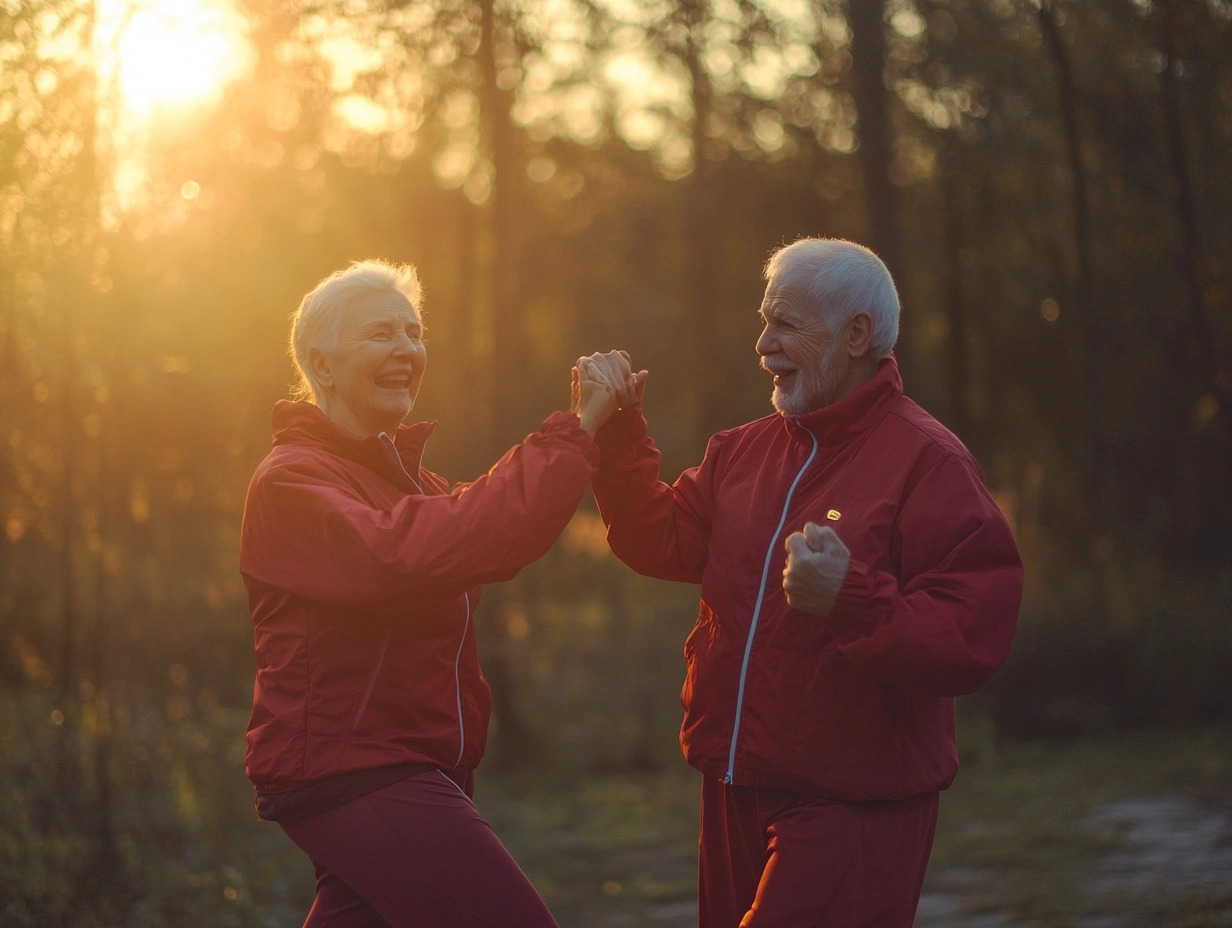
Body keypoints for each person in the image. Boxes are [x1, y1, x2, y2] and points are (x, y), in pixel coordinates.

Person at [581, 238, 1023, 928]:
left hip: (855, 798)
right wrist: (615, 435)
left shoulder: (930, 462)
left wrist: (851, 597)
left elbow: (972, 636)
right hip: (733, 783)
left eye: (785, 324)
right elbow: (656, 539)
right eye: (764, 321)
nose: (763, 344)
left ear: (856, 335)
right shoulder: (741, 450)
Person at [239, 259, 618, 928]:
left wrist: (584, 433)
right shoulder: (291, 484)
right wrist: (574, 429)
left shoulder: (410, 486)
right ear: (322, 367)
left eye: (414, 333)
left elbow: (480, 514)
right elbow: (423, 545)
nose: (406, 350)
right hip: (355, 771)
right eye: (380, 334)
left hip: (402, 767)